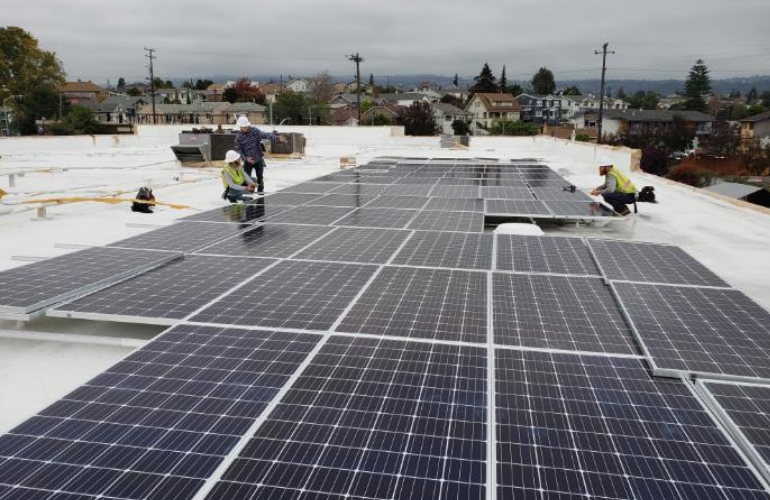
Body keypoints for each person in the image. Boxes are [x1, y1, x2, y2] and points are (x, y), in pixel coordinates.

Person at [234, 115, 286, 195]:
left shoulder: (255, 131)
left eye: (246, 126)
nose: (246, 128)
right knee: (247, 178)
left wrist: (277, 138)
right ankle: (247, 193)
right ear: (240, 127)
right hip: (248, 161)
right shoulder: (239, 137)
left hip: (258, 158)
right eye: (244, 127)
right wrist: (246, 158)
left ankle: (260, 192)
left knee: (260, 177)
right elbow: (239, 150)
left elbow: (265, 135)